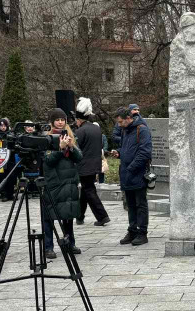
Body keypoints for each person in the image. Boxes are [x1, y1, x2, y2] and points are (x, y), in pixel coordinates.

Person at [41, 108, 83, 259]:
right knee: (49, 216)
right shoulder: (46, 138)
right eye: (57, 119)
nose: (60, 122)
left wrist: (71, 147)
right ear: (52, 121)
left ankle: (69, 243)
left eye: (62, 119)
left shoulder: (70, 135)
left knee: (68, 215)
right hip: (54, 182)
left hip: (69, 181)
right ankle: (48, 247)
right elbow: (48, 160)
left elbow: (79, 158)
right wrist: (60, 149)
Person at [115, 106, 152, 245]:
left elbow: (145, 152)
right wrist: (119, 152)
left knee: (140, 204)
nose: (119, 125)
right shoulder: (126, 131)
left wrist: (131, 167)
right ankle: (132, 230)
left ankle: (142, 232)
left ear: (129, 118)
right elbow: (126, 148)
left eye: (120, 122)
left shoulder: (141, 129)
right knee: (130, 204)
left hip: (137, 173)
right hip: (126, 173)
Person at [74, 98, 110, 227]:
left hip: (84, 165)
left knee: (89, 190)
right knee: (85, 189)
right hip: (95, 164)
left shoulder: (80, 131)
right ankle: (80, 216)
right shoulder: (96, 129)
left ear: (79, 120)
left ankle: (102, 216)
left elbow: (76, 149)